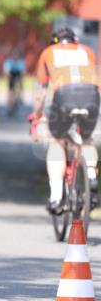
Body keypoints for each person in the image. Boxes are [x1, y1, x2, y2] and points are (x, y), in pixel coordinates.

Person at [29, 28, 100, 214]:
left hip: (65, 95)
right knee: (86, 140)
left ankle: (56, 196)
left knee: (56, 141)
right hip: (92, 95)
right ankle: (91, 175)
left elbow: (41, 93)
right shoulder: (87, 51)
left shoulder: (48, 52)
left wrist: (37, 116)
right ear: (75, 41)